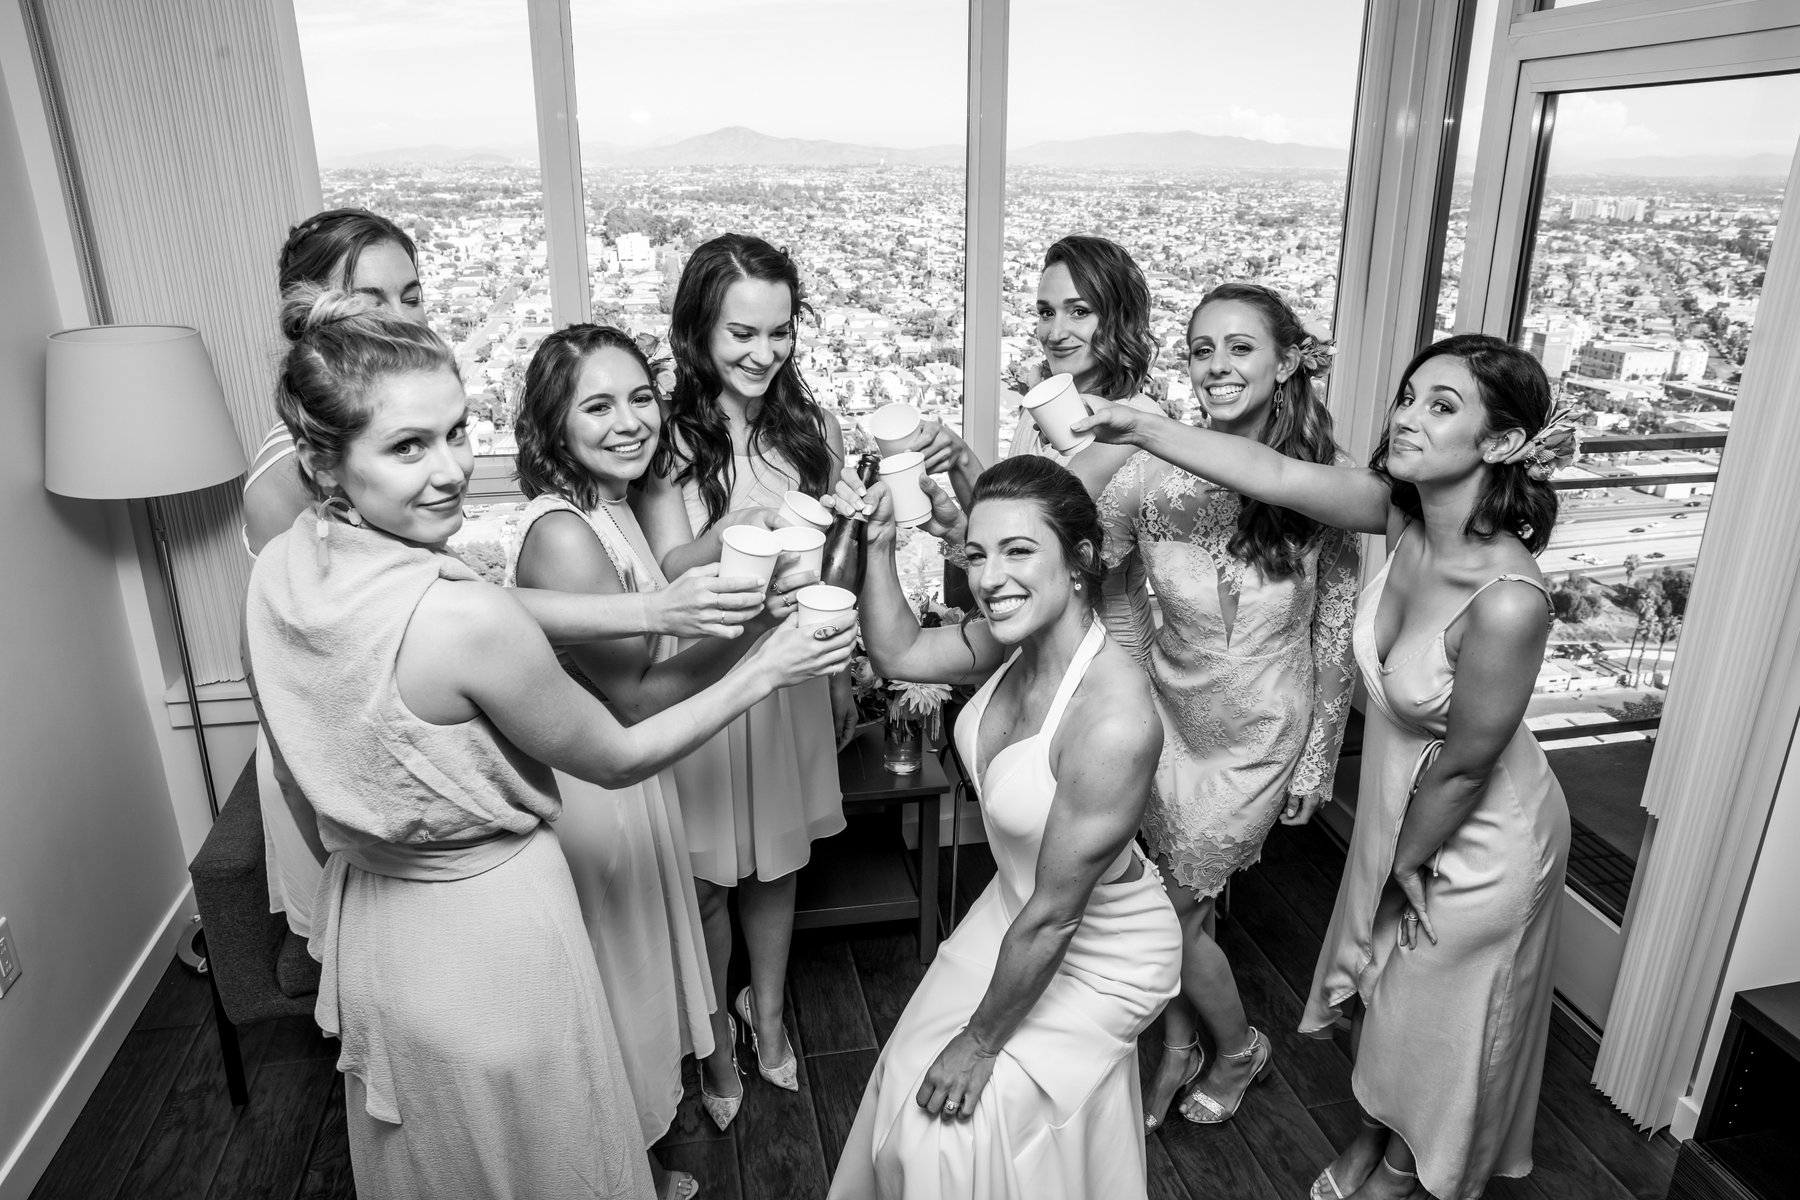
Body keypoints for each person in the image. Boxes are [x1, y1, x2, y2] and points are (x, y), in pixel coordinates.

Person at [245, 286, 855, 1200]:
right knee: (556, 1151)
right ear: (323, 462)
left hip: (375, 922)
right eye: (408, 446)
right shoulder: (467, 617)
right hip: (494, 930)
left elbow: (298, 779)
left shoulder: (285, 570)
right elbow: (616, 752)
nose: (451, 470)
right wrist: (768, 663)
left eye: (456, 432)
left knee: (440, 1162)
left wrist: (660, 609)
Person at [1072, 334, 1575, 1200]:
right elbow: (1269, 473)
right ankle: (1375, 1135)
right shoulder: (1401, 517)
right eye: (1408, 396)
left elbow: (1465, 767)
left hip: (1481, 835)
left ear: (1501, 443)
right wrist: (1139, 427)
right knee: (1391, 997)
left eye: (1441, 406)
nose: (1407, 417)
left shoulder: (1509, 602)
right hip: (1405, 811)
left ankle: (1406, 1172)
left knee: (1442, 1012)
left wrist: (1400, 864)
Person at [244, 209, 764, 943]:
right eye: (372, 298)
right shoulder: (296, 487)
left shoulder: (432, 578)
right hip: (365, 789)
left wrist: (662, 606)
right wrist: (762, 649)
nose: (450, 469)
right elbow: (310, 668)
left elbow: (453, 603)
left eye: (412, 296)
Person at [508, 324, 823, 1196]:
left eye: (640, 398)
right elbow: (637, 698)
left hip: (628, 782)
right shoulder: (564, 534)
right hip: (597, 791)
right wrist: (758, 640)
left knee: (631, 992)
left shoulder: (607, 506)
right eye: (597, 406)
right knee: (615, 995)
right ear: (551, 422)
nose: (629, 422)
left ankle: (632, 1167)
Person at [828, 455, 1180, 1200]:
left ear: (1080, 560)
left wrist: (980, 1042)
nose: (990, 578)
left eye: (1019, 551)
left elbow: (1058, 917)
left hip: (1098, 947)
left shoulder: (1113, 720)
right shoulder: (1011, 639)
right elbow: (897, 651)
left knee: (946, 1135)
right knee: (905, 1070)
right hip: (1017, 908)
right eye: (977, 554)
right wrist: (880, 544)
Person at [1099, 284, 1360, 1131]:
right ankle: (1180, 1046)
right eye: (1201, 348)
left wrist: (1318, 759)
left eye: (1240, 347)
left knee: (1171, 911)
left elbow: (1334, 634)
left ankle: (1238, 1048)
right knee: (1186, 907)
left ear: (1286, 363)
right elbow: (1086, 567)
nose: (1216, 365)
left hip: (1260, 736)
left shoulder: (1323, 488)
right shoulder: (1148, 476)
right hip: (1166, 720)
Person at [633, 233, 848, 1121]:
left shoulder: (814, 430)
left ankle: (770, 1016)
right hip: (709, 674)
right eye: (741, 334)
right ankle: (716, 1040)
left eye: (780, 331)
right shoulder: (665, 436)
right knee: (708, 878)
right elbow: (669, 568)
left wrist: (838, 677)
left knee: (777, 861)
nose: (765, 353)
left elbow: (831, 563)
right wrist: (733, 529)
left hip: (791, 668)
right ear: (698, 331)